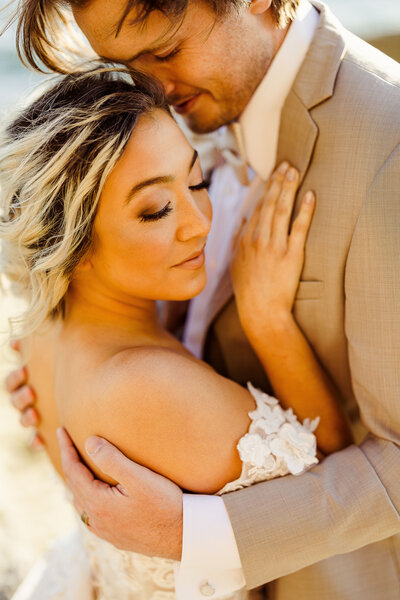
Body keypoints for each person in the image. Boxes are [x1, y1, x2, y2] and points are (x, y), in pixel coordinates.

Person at [5, 0, 400, 598]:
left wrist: (197, 532)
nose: (153, 89)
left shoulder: (387, 145)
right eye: (126, 68)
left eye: (164, 50)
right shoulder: (167, 121)